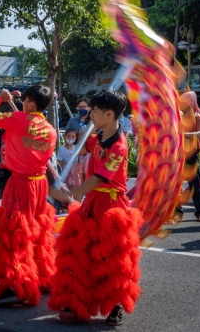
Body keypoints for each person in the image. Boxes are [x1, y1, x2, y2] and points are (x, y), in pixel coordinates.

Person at [49, 90, 142, 326]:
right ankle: (77, 300)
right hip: (91, 203)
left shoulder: (119, 147)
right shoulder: (97, 137)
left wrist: (72, 192)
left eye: (96, 111)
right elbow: (81, 148)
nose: (90, 113)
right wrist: (84, 135)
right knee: (82, 253)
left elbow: (100, 178)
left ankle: (115, 306)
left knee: (113, 259)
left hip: (111, 206)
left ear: (109, 114)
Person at [0, 85, 58, 306]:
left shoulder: (17, 119)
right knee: (37, 232)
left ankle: (18, 286)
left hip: (19, 183)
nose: (23, 103)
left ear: (32, 104)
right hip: (40, 185)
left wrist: (0, 98)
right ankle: (42, 278)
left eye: (24, 100)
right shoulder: (51, 130)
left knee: (13, 234)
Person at [178, 92, 200, 222]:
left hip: (191, 154)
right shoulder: (180, 116)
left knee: (195, 183)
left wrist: (182, 134)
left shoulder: (198, 117)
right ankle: (176, 212)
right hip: (178, 153)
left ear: (190, 103)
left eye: (184, 102)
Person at [57, 130, 82, 200]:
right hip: (66, 170)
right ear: (65, 136)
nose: (70, 138)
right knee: (67, 187)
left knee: (77, 186)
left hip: (75, 170)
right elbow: (59, 162)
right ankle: (67, 204)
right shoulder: (61, 149)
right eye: (68, 136)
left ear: (75, 138)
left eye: (73, 137)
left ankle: (78, 203)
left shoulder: (77, 147)